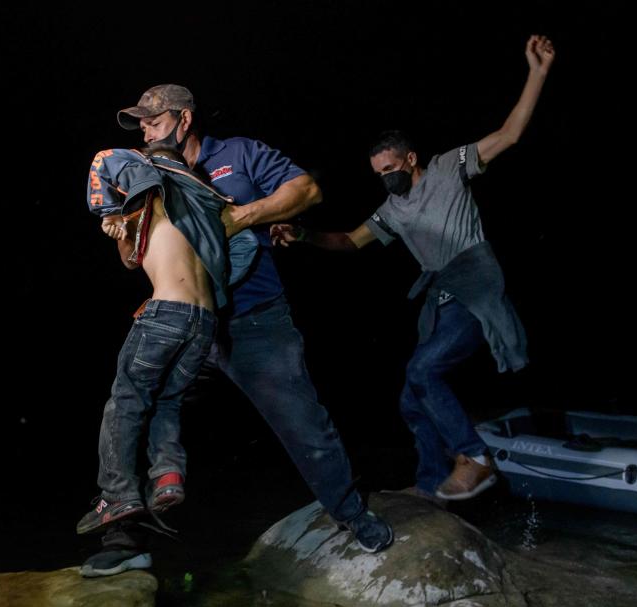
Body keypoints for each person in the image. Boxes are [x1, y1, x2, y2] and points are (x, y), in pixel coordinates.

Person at [80, 84, 394, 578]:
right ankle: (126, 540)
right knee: (137, 412)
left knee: (303, 423)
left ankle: (351, 513)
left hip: (254, 319)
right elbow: (130, 257)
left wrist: (239, 217)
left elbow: (307, 190)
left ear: (184, 119)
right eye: (139, 121)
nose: (144, 128)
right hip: (186, 321)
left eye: (153, 118)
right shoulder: (146, 169)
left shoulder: (240, 153)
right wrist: (121, 231)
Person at [271, 35, 556, 504]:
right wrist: (304, 235)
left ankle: (476, 459)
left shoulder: (450, 167)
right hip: (441, 299)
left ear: (410, 159)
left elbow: (508, 135)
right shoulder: (392, 209)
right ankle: (429, 485)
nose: (386, 178)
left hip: (474, 286)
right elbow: (349, 240)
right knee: (411, 397)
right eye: (378, 173)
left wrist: (538, 72)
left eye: (390, 168)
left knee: (424, 372)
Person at [76, 145, 235, 540]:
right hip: (205, 321)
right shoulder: (200, 195)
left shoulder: (152, 179)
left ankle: (117, 495)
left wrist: (109, 212)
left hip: (167, 312)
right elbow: (133, 256)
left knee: (126, 401)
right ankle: (167, 476)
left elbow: (104, 159)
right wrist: (122, 229)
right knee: (168, 400)